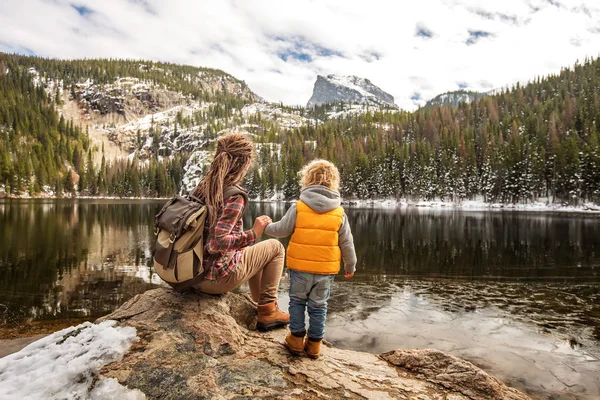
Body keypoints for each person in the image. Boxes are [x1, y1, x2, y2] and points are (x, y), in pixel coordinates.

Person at [193, 133, 289, 332]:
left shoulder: (203, 186)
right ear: (244, 164)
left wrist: (246, 238)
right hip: (213, 279)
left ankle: (259, 306)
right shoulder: (233, 195)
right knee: (275, 247)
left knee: (253, 251)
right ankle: (268, 310)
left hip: (191, 274)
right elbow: (216, 243)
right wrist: (254, 233)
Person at [264, 159, 357, 358]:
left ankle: (296, 340)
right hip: (326, 272)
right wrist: (350, 265)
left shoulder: (299, 207)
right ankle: (315, 344)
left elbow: (281, 230)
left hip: (300, 268)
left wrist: (265, 227)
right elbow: (347, 243)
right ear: (333, 183)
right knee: (319, 306)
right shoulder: (339, 213)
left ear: (307, 180)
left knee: (297, 302)